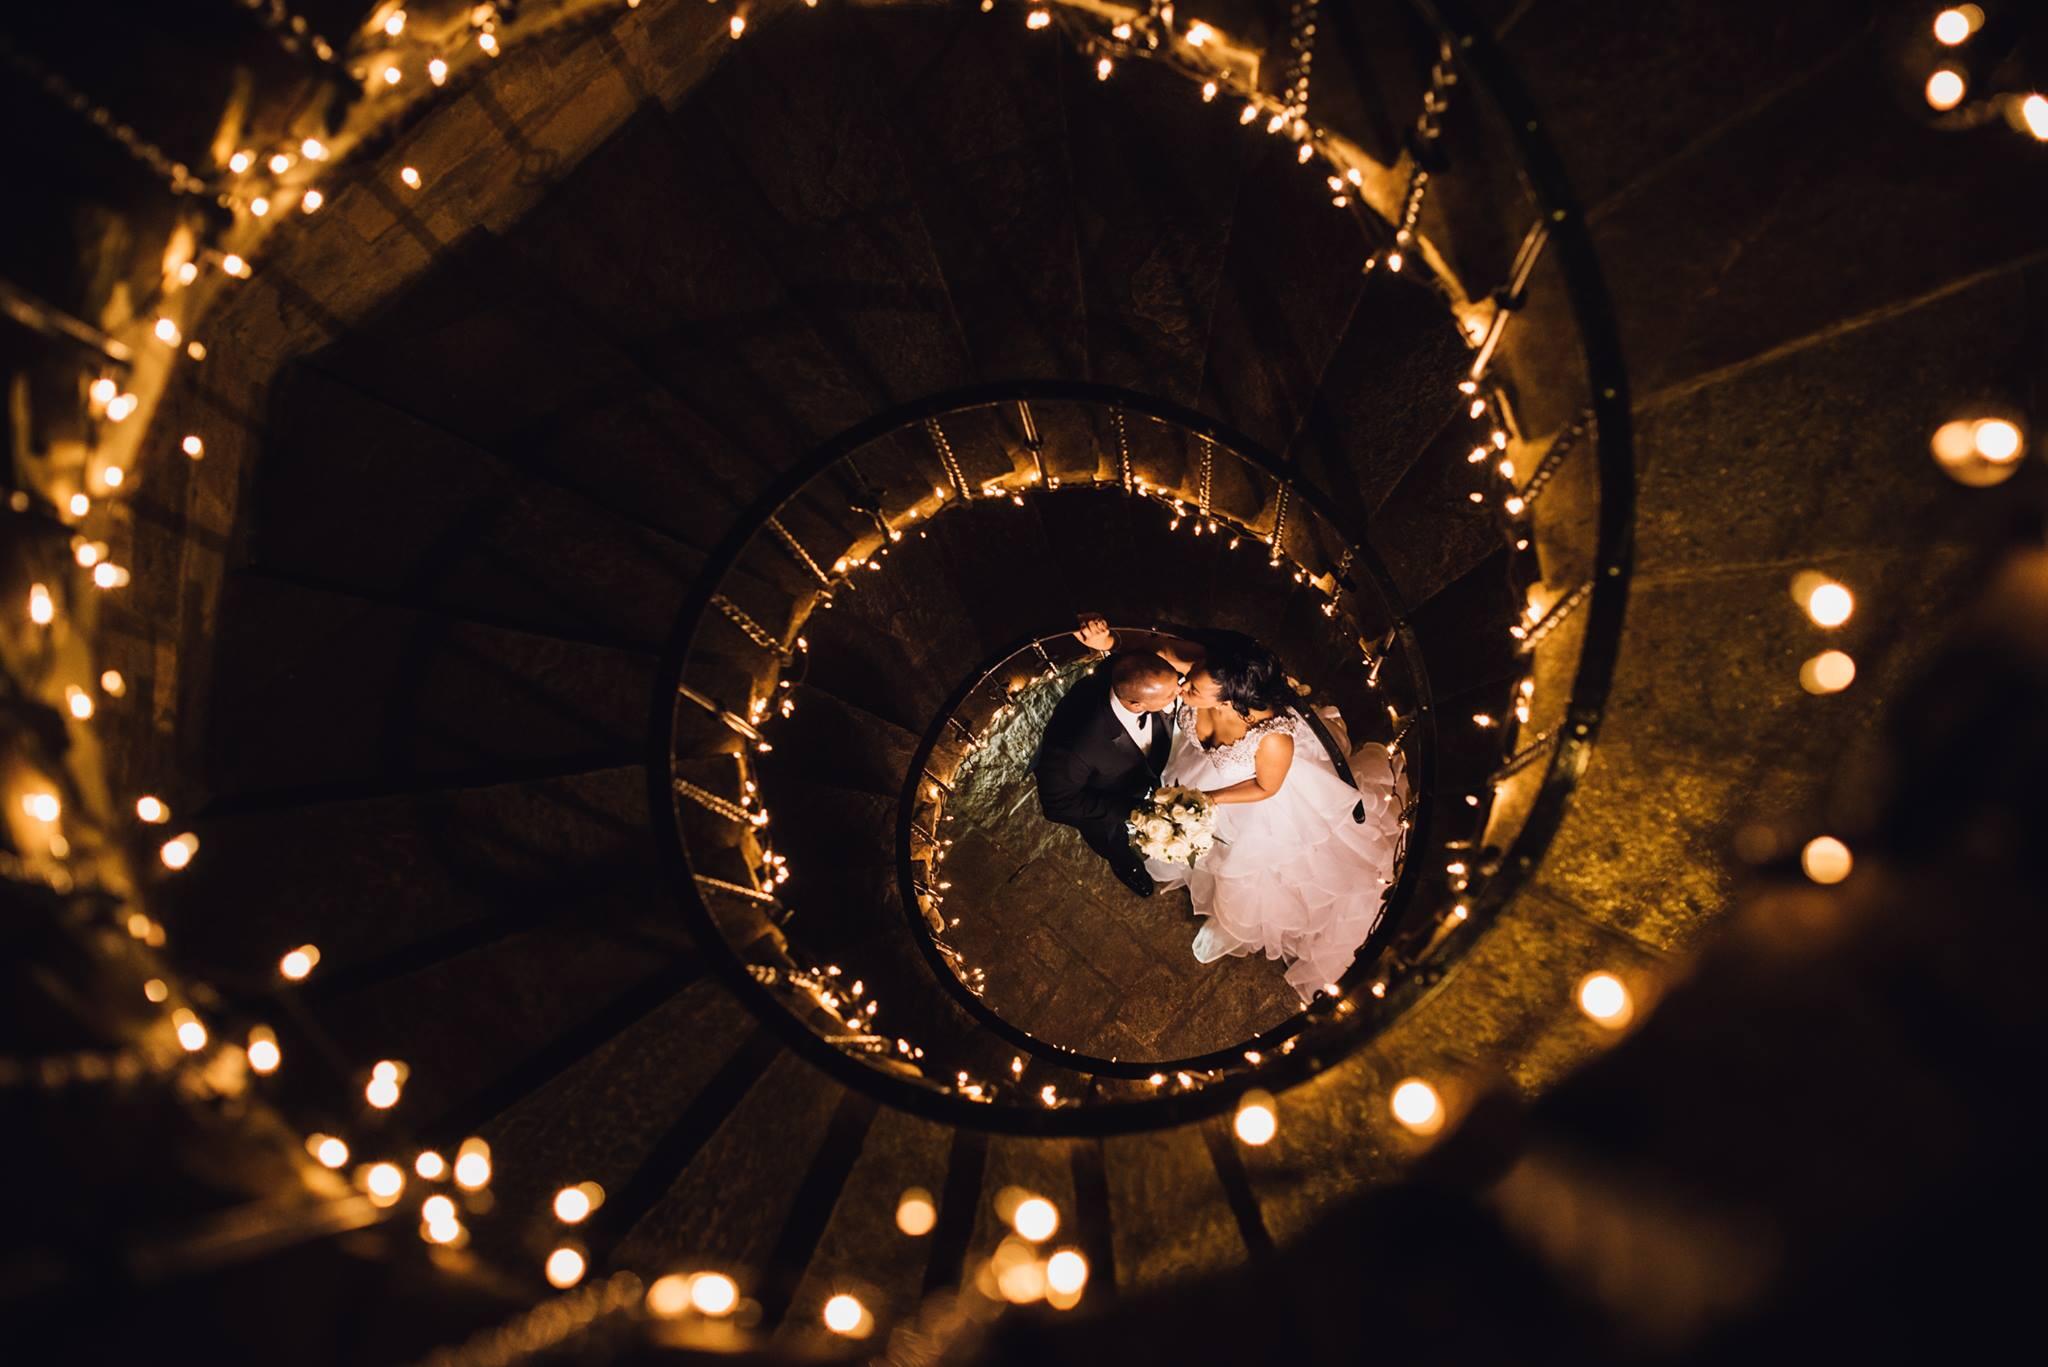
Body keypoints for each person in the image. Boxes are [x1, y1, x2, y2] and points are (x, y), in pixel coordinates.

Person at [1151, 638, 1407, 1004]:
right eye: (1189, 677)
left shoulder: (1273, 739)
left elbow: (1265, 787)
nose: (1183, 685)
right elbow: (1158, 651)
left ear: (1230, 700)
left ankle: (1235, 920)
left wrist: (1208, 801)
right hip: (1206, 773)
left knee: (1246, 870)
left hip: (1259, 804)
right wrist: (1108, 642)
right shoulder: (1208, 668)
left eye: (1192, 687)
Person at [1031, 646, 1184, 898]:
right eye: (1169, 694)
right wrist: (1134, 812)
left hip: (1139, 774)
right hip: (1106, 797)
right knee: (1111, 839)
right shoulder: (1074, 746)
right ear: (1136, 704)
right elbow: (1057, 805)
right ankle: (1127, 866)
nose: (1178, 692)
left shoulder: (1129, 670)